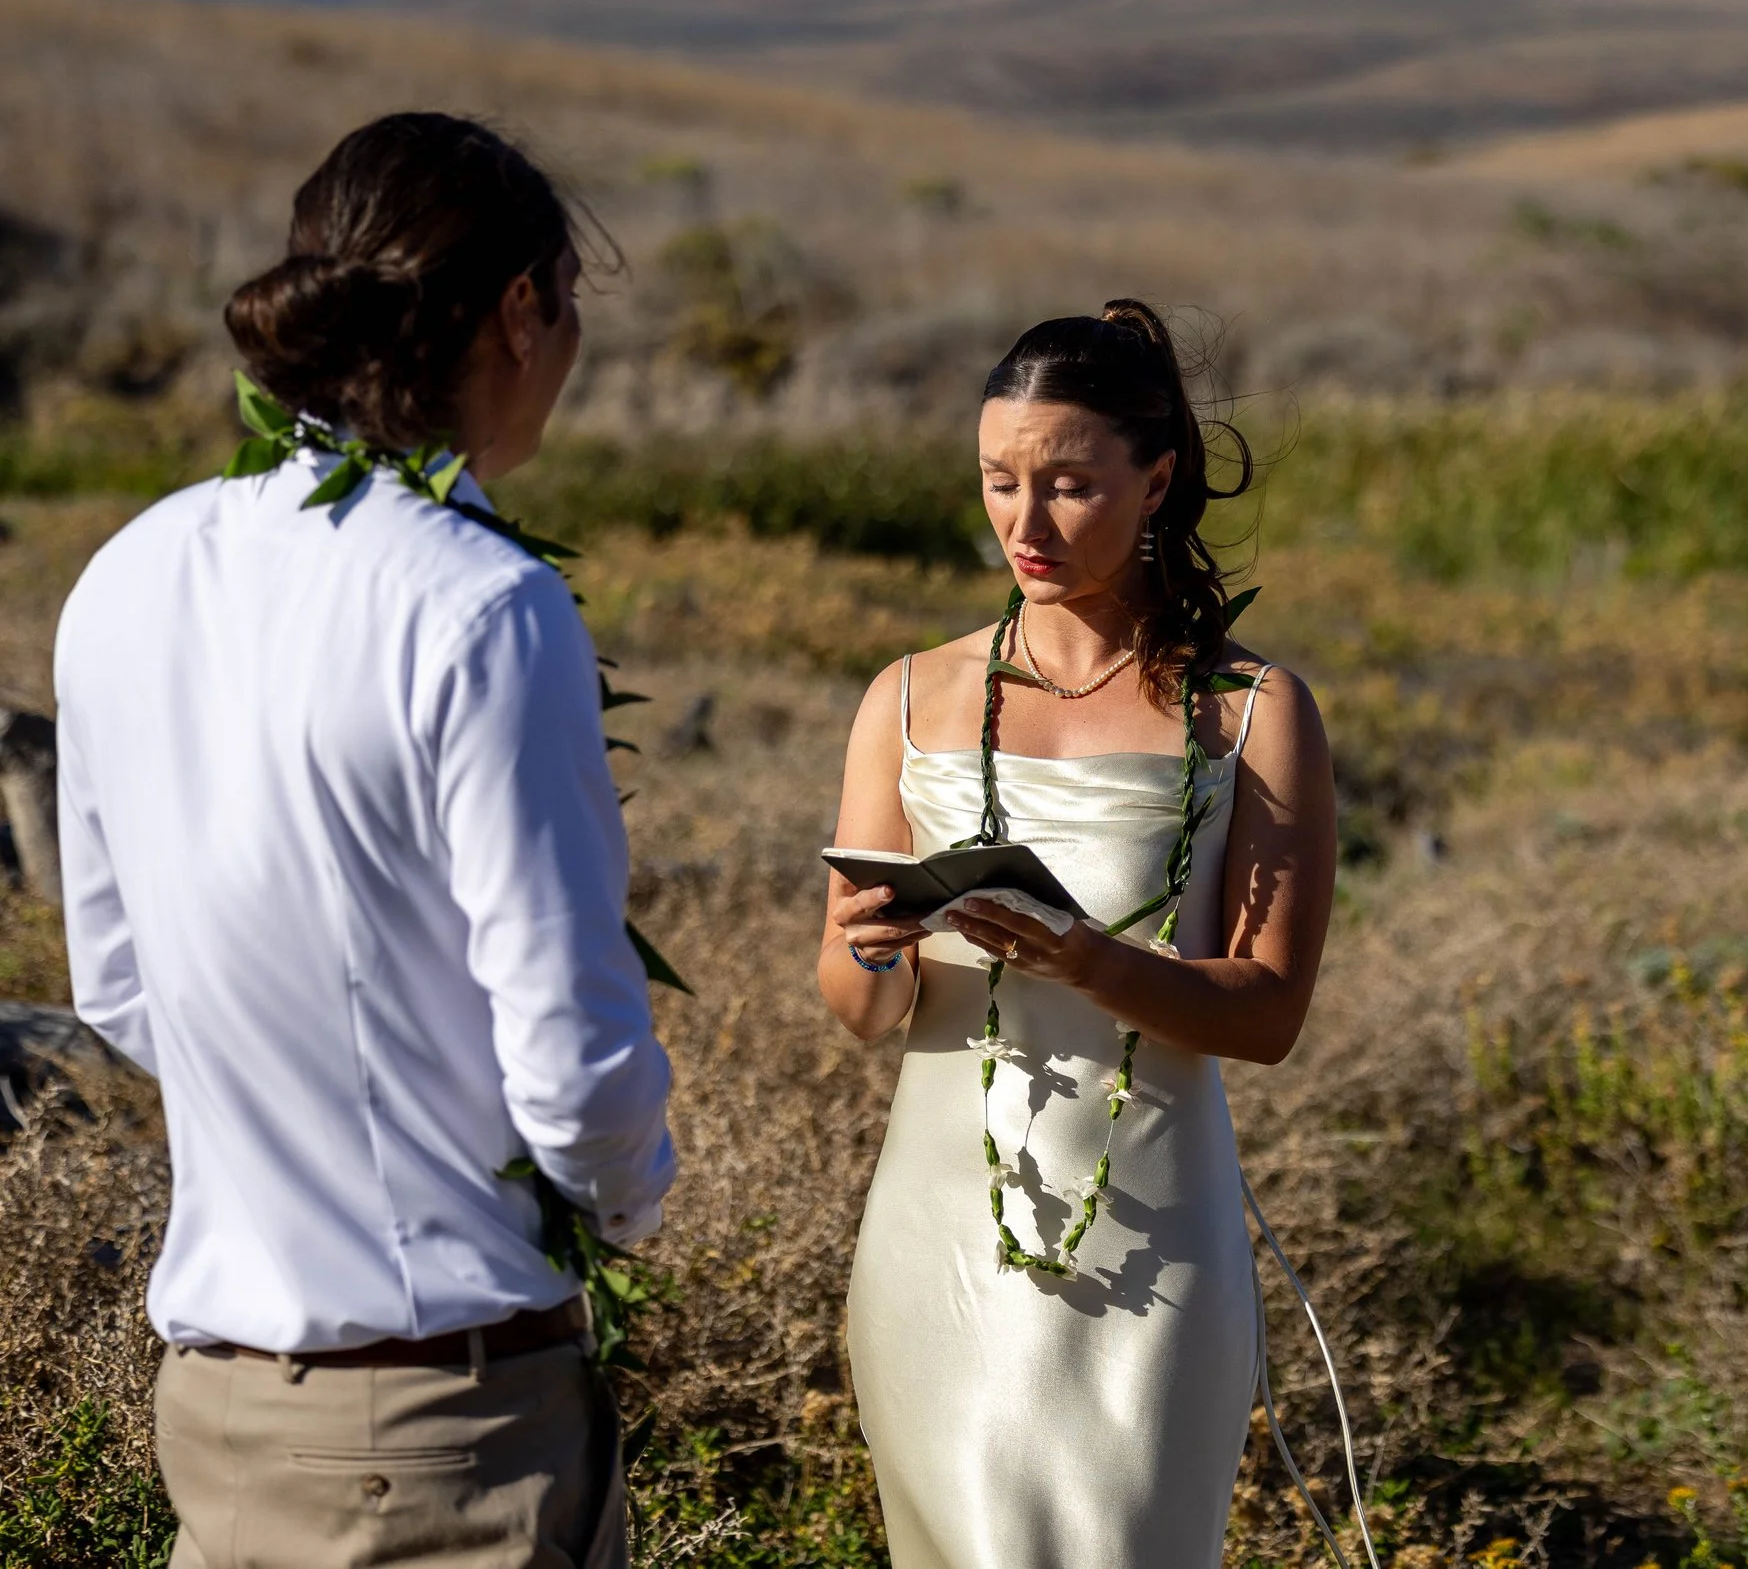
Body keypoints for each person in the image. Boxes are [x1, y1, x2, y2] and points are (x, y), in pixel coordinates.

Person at [55, 113, 674, 1569]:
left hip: (216, 1416)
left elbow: (118, 987)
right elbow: (573, 1055)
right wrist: (623, 1203)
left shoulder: (127, 571)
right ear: (521, 309)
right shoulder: (482, 605)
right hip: (443, 1436)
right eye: (570, 304)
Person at [818, 299, 1338, 1567]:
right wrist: (871, 948)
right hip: (939, 1240)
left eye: (1067, 486)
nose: (1023, 523)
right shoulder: (907, 696)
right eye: (999, 481)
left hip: (1150, 1255)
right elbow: (859, 1007)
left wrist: (1085, 959)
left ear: (1157, 480)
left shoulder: (1252, 711)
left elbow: (1267, 1017)